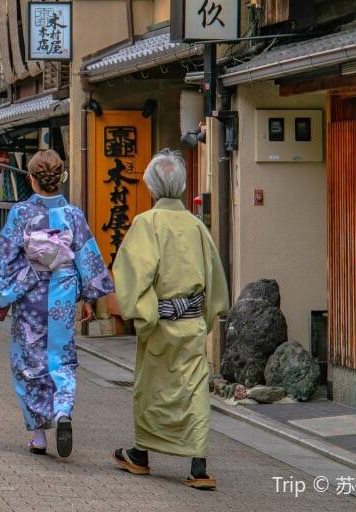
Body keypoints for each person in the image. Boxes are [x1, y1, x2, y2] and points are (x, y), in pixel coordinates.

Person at [111, 149, 229, 491]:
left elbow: (133, 276)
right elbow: (214, 276)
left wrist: (145, 315)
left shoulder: (145, 223)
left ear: (150, 185)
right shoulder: (195, 225)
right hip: (191, 322)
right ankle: (198, 465)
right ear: (180, 185)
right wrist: (205, 317)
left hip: (159, 322)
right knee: (193, 392)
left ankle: (141, 454)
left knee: (151, 389)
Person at [0, 149, 113, 458]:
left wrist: (5, 295)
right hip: (63, 291)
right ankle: (61, 411)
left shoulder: (21, 213)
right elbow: (88, 257)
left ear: (31, 180)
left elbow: (6, 258)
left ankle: (38, 435)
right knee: (61, 359)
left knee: (28, 363)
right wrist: (89, 297)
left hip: (30, 294)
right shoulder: (73, 215)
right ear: (61, 179)